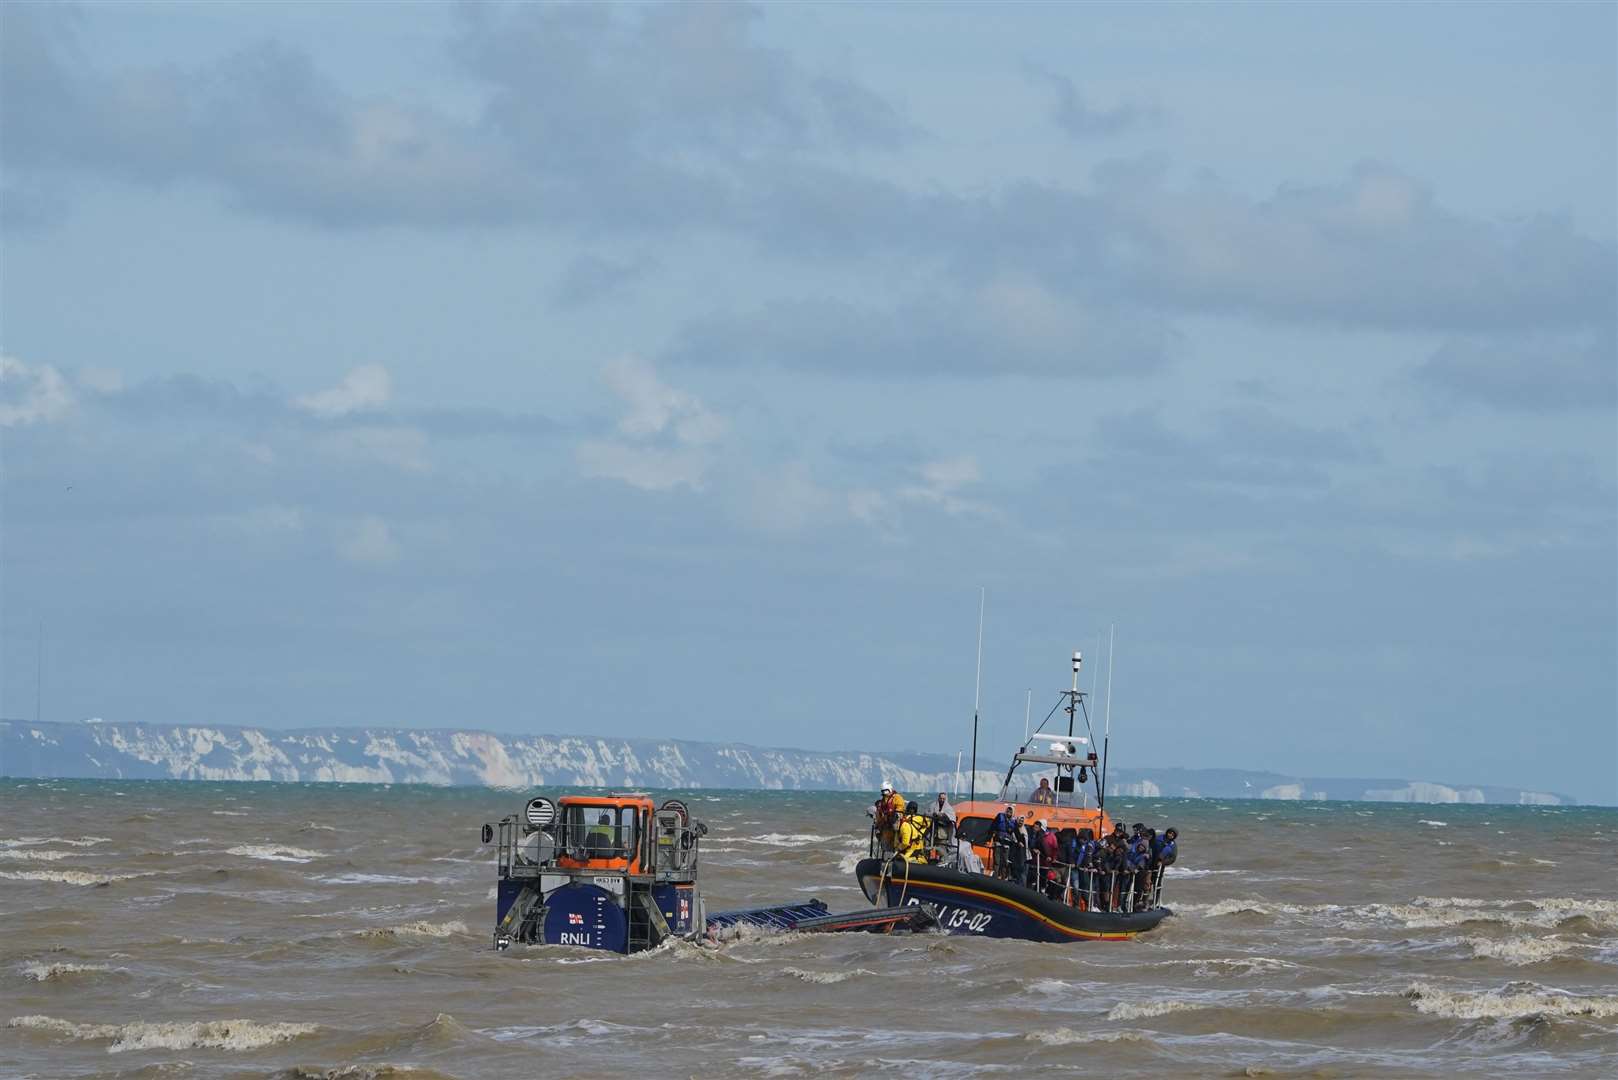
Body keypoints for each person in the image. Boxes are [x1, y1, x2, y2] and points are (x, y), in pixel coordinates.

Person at [871, 782, 906, 851]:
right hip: (886, 824)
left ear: (890, 789)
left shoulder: (897, 798)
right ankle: (886, 854)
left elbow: (900, 809)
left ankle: (895, 853)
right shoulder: (883, 800)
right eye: (883, 791)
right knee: (885, 840)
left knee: (895, 839)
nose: (884, 793)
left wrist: (893, 814)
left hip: (896, 823)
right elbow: (881, 811)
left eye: (885, 791)